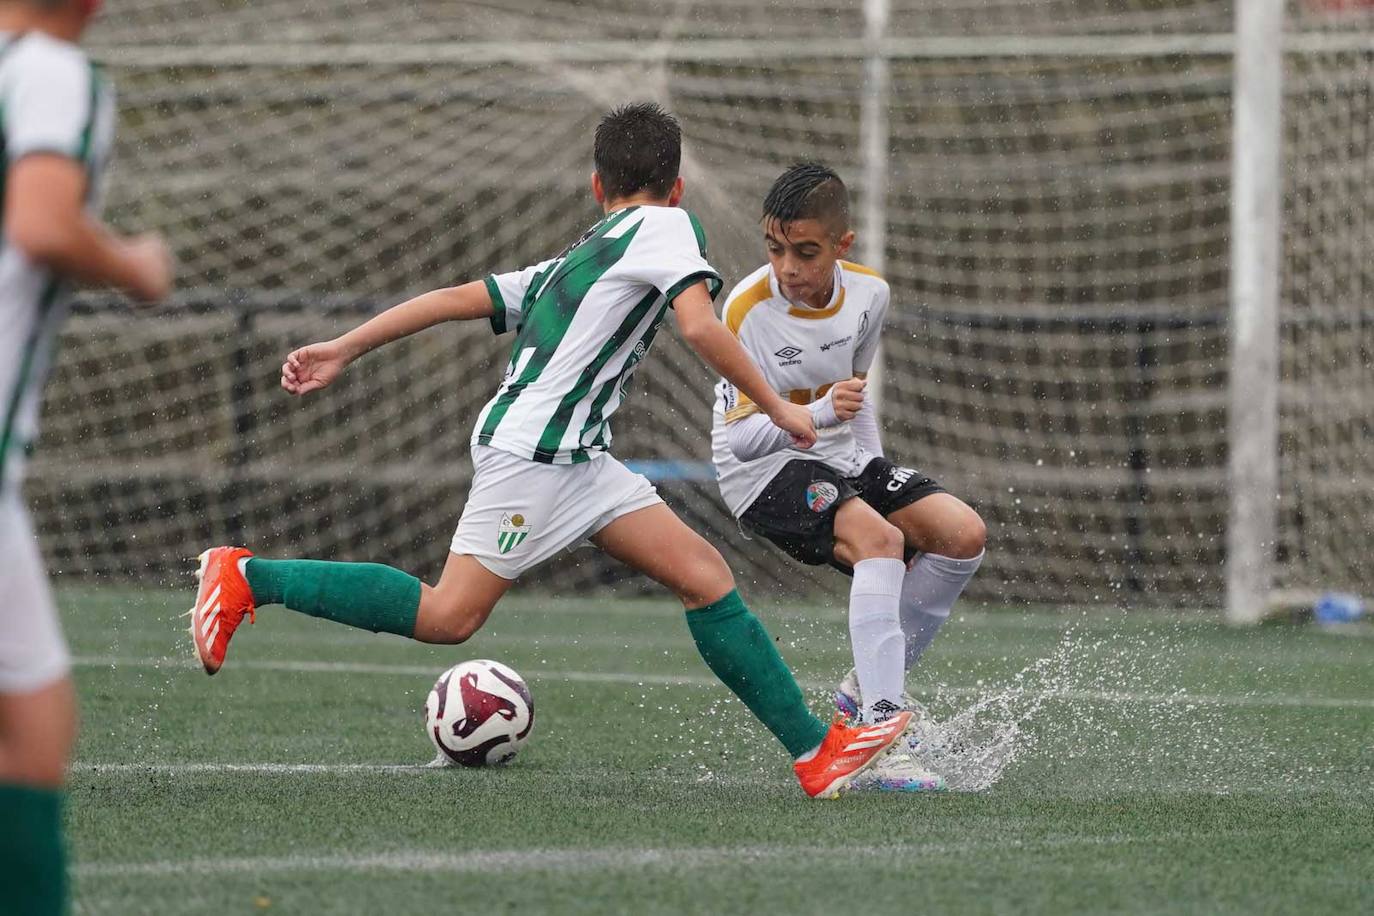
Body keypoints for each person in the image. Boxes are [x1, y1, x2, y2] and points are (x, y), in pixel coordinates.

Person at [190, 104, 909, 799]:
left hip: (581, 459)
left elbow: (451, 298)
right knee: (449, 617)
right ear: (677, 188)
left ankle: (817, 755)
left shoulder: (579, 257)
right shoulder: (665, 226)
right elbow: (698, 326)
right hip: (535, 453)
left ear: (598, 187)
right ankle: (249, 577)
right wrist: (782, 407)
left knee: (704, 576)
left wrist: (345, 345)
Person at [710, 163, 986, 790]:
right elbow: (743, 438)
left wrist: (870, 469)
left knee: (962, 534)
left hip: (837, 458)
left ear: (842, 246)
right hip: (760, 472)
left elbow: (854, 401)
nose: (787, 268)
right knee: (880, 542)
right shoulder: (746, 309)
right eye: (775, 250)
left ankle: (861, 692)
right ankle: (881, 736)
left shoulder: (870, 296)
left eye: (805, 252)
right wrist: (814, 414)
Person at [0, 0, 174, 911]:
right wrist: (136, 264)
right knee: (32, 731)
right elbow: (43, 222)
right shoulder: (51, 71)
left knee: (34, 724)